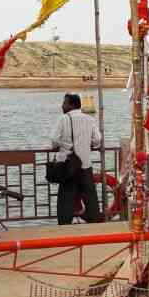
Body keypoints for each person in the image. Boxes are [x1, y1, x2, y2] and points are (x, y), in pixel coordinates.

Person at [50, 93, 102, 225]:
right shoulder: (89, 119)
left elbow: (54, 140)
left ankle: (65, 225)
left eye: (64, 103)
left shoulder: (63, 119)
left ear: (71, 105)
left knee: (66, 198)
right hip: (85, 164)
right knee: (90, 196)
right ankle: (95, 223)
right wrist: (86, 144)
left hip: (68, 166)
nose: (62, 106)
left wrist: (63, 145)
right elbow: (97, 140)